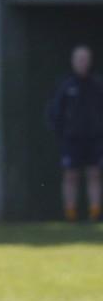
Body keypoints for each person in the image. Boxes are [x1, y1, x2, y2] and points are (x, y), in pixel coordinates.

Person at [46, 45, 103, 222]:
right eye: (79, 59)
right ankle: (70, 213)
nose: (82, 63)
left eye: (85, 59)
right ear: (73, 61)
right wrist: (61, 133)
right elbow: (55, 112)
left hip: (95, 139)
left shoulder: (97, 84)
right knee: (71, 175)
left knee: (94, 173)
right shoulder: (65, 85)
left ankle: (95, 213)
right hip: (71, 140)